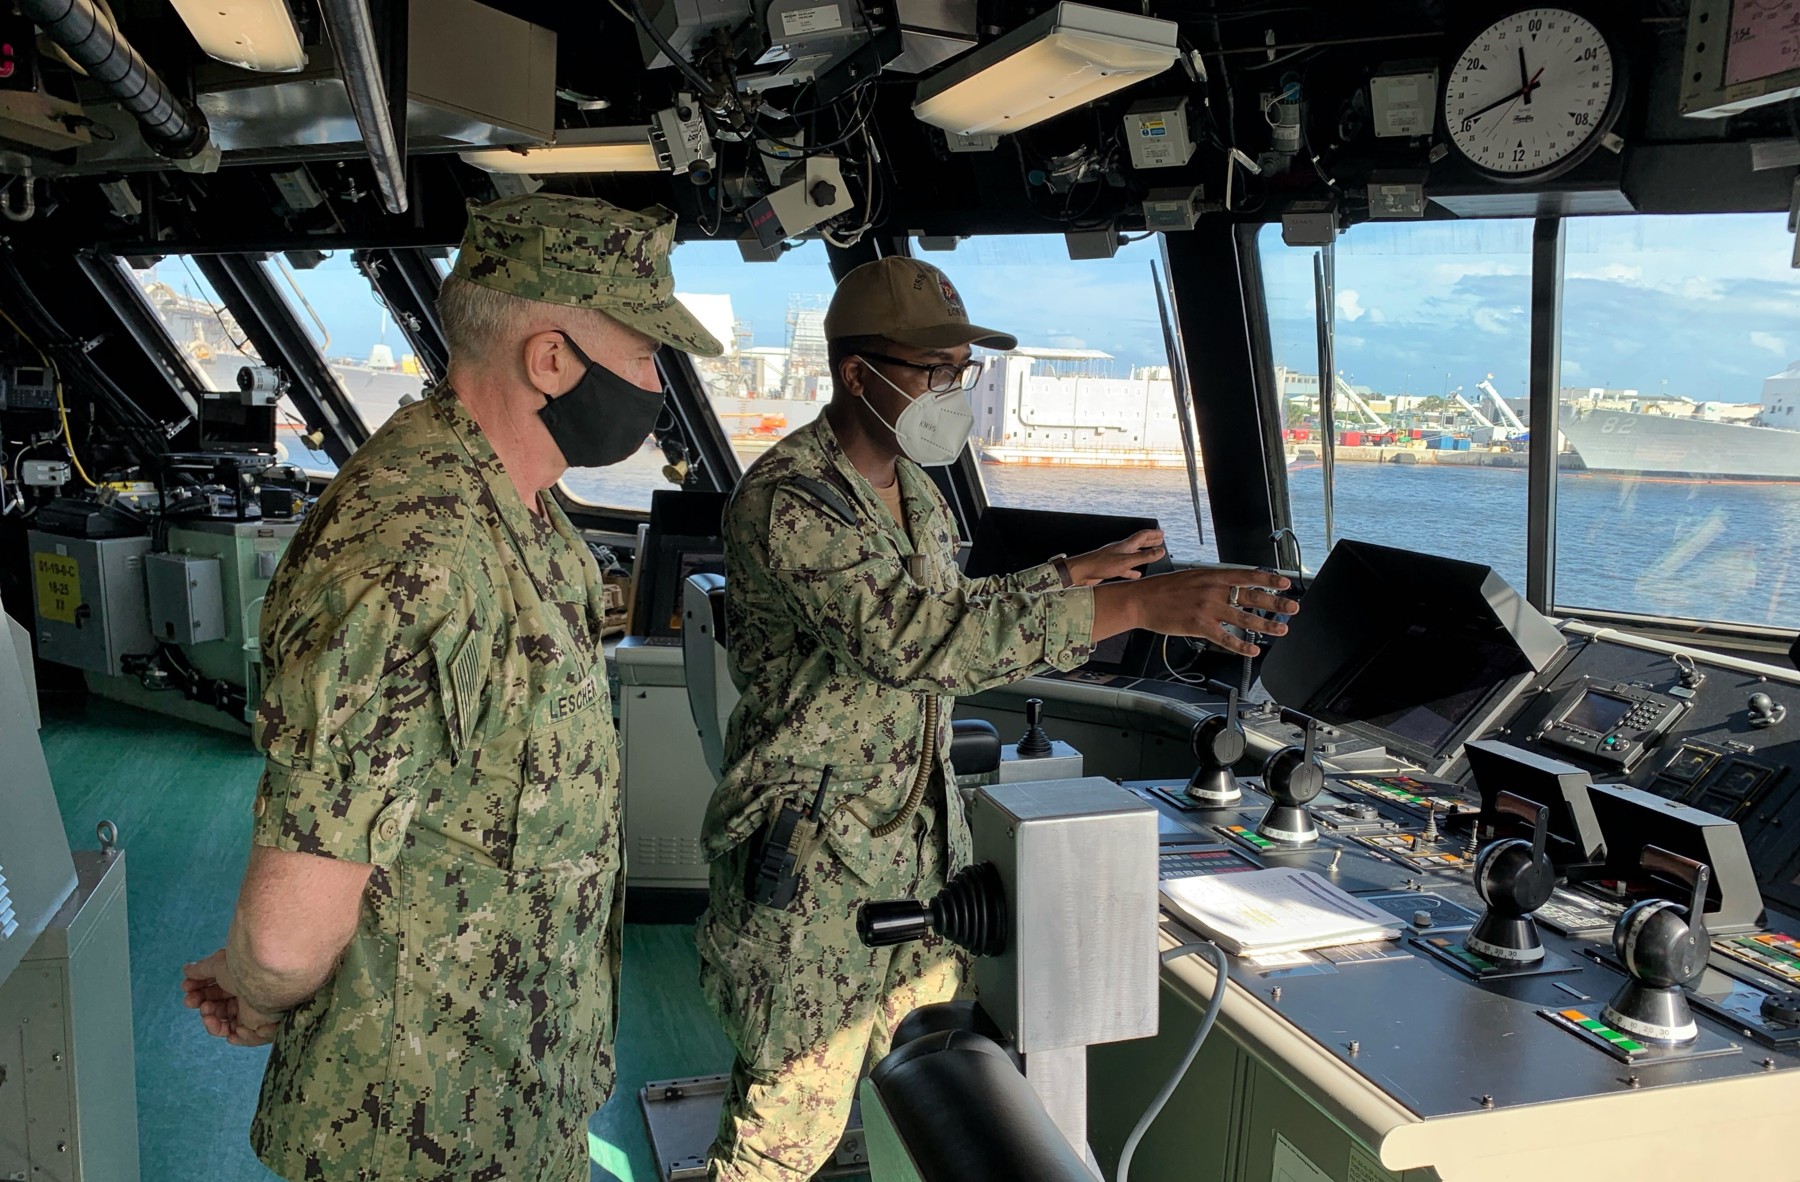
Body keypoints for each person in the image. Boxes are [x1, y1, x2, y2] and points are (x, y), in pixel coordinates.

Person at [697, 255, 1297, 1180]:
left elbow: (949, 604)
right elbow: (912, 641)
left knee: (928, 1108)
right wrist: (1135, 609)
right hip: (812, 865)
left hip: (915, 852)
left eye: (960, 372)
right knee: (782, 1139)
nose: (951, 389)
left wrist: (1066, 577)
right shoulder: (789, 501)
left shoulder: (918, 489)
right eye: (929, 370)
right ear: (857, 374)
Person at [180, 193, 722, 1182]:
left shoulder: (531, 518)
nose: (656, 383)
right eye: (645, 354)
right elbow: (289, 925)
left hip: (523, 1090)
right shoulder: (404, 555)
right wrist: (256, 989)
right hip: (411, 1129)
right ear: (551, 359)